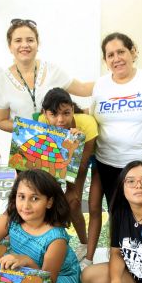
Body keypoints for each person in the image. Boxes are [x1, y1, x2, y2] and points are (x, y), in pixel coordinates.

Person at [89, 33, 142, 267]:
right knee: (116, 215)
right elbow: (93, 119)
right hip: (108, 163)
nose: (116, 58)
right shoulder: (101, 85)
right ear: (105, 60)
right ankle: (119, 263)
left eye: (121, 52)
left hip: (140, 164)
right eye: (110, 55)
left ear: (133, 52)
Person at [0, 19, 94, 163]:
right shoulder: (1, 81)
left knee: (61, 178)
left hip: (59, 146)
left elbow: (83, 89)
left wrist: (115, 81)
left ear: (37, 43)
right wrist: (34, 128)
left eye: (30, 40)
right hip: (26, 149)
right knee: (28, 179)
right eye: (18, 40)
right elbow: (1, 121)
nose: (25, 45)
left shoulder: (53, 71)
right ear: (10, 46)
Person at [38, 88, 98, 261]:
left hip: (84, 158)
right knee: (50, 201)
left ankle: (84, 243)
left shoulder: (87, 123)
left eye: (66, 113)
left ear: (72, 109)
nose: (60, 120)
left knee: (73, 202)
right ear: (45, 113)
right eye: (54, 114)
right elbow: (45, 158)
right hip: (58, 157)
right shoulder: (41, 121)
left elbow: (81, 166)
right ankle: (48, 242)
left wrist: (75, 143)